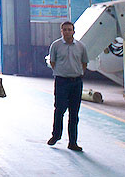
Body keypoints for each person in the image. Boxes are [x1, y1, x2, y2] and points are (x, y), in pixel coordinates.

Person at [47, 20, 89, 152]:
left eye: (69, 30)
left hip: (76, 82)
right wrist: (62, 72)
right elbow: (53, 62)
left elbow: (84, 63)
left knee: (74, 113)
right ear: (61, 31)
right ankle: (56, 135)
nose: (67, 32)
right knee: (59, 110)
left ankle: (73, 142)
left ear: (73, 31)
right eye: (64, 30)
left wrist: (76, 73)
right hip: (61, 82)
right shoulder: (56, 45)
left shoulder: (81, 47)